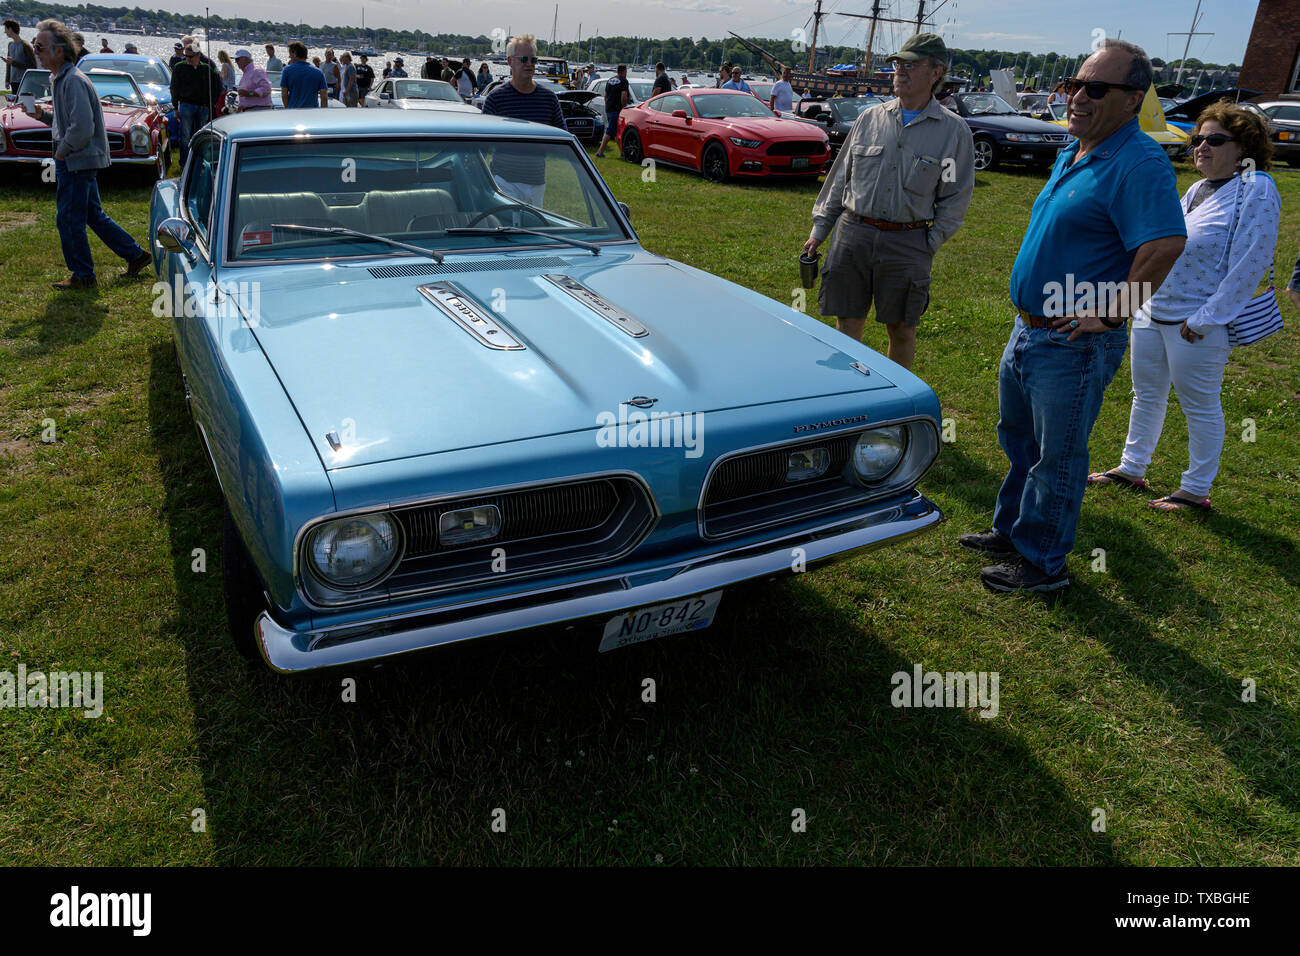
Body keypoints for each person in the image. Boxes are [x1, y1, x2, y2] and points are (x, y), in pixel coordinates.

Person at [959, 40, 1188, 593]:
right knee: (1021, 442)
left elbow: (1164, 245)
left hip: (1073, 340)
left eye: (1096, 88)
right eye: (1074, 84)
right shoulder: (1077, 148)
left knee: (1057, 457)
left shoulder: (1138, 161)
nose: (1077, 96)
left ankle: (1042, 565)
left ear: (1133, 100)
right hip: (1030, 329)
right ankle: (1013, 531)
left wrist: (1112, 316)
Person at [1088, 104, 1280, 513]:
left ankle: (1195, 490)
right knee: (1146, 395)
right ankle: (1131, 468)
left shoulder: (1256, 187)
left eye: (1214, 140)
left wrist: (1207, 318)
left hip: (1197, 323)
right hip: (1154, 311)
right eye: (1197, 140)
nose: (1201, 148)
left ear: (1244, 146)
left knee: (1200, 405)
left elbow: (1252, 261)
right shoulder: (1197, 189)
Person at [804, 33, 975, 371]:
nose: (901, 71)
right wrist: (820, 228)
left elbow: (955, 195)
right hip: (853, 234)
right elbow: (841, 177)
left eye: (912, 65)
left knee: (901, 328)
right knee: (847, 321)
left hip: (908, 242)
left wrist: (930, 240)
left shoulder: (953, 132)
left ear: (937, 72)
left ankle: (894, 412)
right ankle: (851, 397)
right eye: (899, 64)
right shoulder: (870, 119)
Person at [26, 19, 151, 289]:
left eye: (40, 46)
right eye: (34, 45)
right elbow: (67, 122)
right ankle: (136, 254)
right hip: (78, 158)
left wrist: (62, 154)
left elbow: (82, 128)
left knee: (69, 218)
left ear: (59, 51)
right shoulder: (61, 79)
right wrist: (42, 115)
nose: (35, 50)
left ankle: (83, 275)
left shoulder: (71, 80)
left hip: (76, 160)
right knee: (92, 214)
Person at [480, 33, 566, 205]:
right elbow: (482, 146)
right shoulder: (496, 98)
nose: (529, 64)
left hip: (537, 183)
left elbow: (562, 138)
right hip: (504, 182)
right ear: (510, 61)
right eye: (524, 59)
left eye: (533, 60)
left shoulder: (549, 98)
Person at [170, 41, 222, 168]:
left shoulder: (206, 69)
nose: (187, 59)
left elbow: (216, 86)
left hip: (202, 107)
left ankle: (200, 163)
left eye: (190, 56)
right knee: (185, 136)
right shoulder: (179, 67)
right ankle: (184, 163)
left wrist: (212, 104)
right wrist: (176, 107)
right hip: (186, 105)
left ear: (198, 56)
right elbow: (174, 88)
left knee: (201, 137)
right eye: (185, 56)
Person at [280, 40, 328, 108]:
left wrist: (287, 109)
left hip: (293, 112)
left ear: (294, 54)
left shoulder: (287, 70)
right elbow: (324, 97)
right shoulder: (318, 72)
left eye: (290, 55)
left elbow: (284, 94)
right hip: (312, 113)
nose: (289, 57)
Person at [594, 63, 628, 157]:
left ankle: (623, 152)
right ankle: (599, 152)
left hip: (609, 108)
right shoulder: (624, 81)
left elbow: (605, 96)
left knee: (617, 131)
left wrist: (608, 105)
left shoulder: (610, 80)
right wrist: (624, 107)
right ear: (624, 71)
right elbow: (624, 96)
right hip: (617, 109)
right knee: (609, 131)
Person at [4, 19, 36, 93]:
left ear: (10, 29)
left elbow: (33, 66)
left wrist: (13, 63)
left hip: (24, 81)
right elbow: (9, 64)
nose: (5, 32)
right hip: (13, 81)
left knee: (23, 103)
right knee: (15, 104)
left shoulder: (25, 45)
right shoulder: (10, 44)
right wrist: (7, 80)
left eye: (5, 29)